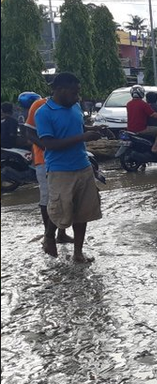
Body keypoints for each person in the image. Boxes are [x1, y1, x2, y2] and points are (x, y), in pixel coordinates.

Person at [33, 72, 103, 263]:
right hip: (60, 170)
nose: (77, 97)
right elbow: (49, 144)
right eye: (74, 92)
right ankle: (49, 237)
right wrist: (83, 137)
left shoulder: (75, 107)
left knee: (82, 212)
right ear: (60, 90)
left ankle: (78, 253)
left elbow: (79, 128)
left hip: (83, 165)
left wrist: (93, 130)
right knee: (59, 209)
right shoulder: (44, 112)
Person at [21, 91, 75, 254]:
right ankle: (48, 236)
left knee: (65, 197)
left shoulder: (71, 105)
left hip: (65, 160)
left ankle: (61, 233)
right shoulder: (39, 105)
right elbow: (29, 133)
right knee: (48, 198)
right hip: (44, 160)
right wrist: (47, 147)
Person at [125, 85, 157, 159]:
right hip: (141, 129)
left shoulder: (128, 104)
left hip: (130, 129)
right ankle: (155, 147)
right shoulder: (143, 104)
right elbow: (154, 115)